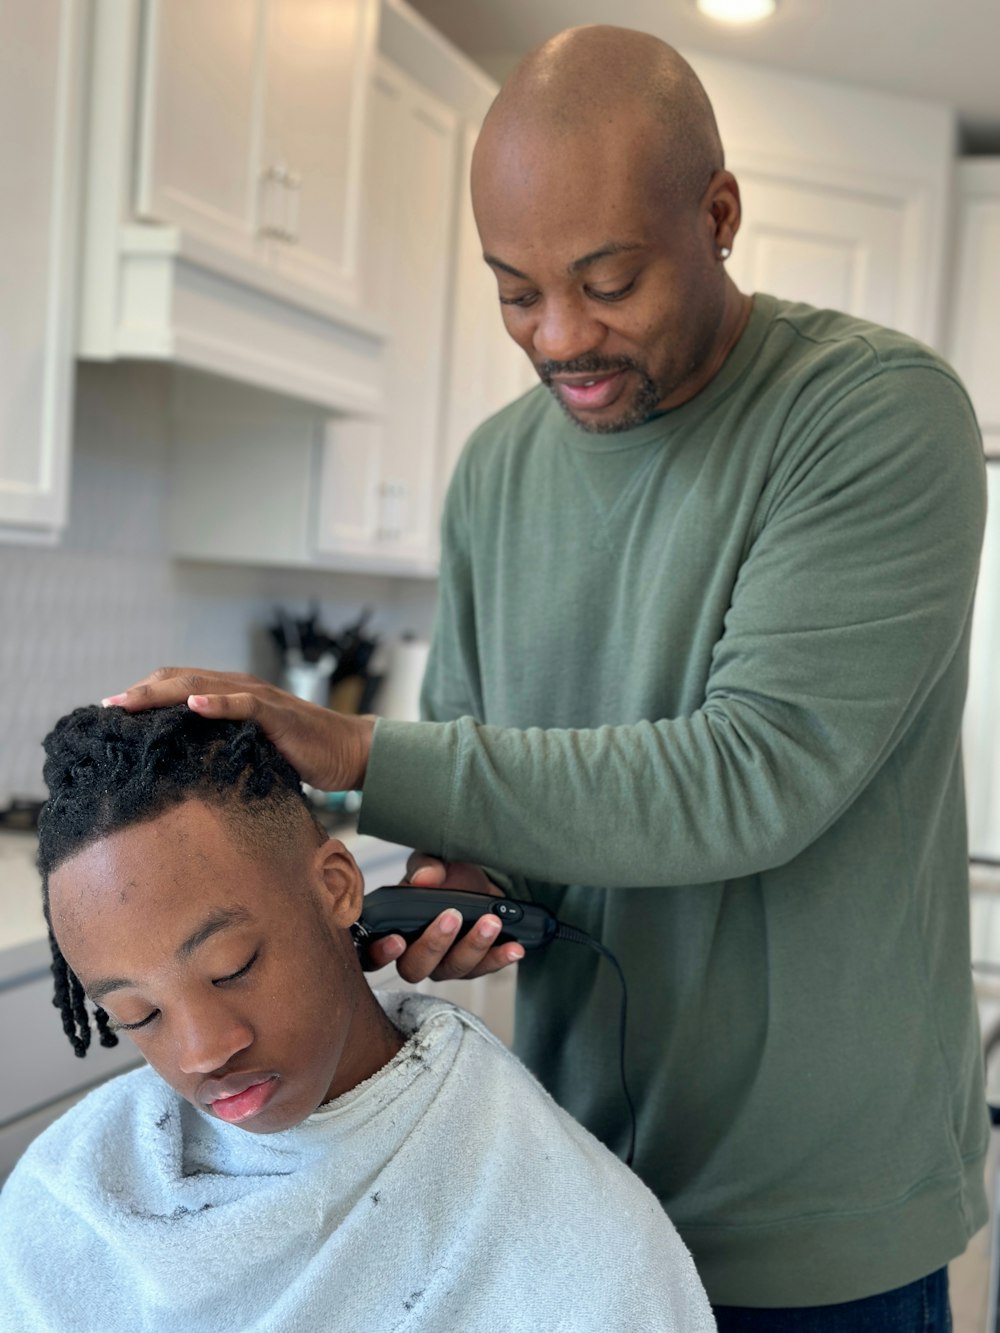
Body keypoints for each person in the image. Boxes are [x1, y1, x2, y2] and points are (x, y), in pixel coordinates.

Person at [102, 24, 988, 1329]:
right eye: (516, 290)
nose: (561, 334)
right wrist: (467, 883)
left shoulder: (871, 415)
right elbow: (482, 795)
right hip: (569, 1188)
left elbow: (757, 774)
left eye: (609, 280)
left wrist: (359, 751)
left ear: (719, 215)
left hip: (818, 1224)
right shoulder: (497, 471)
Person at [0, 703, 714, 1333]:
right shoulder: (67, 1200)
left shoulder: (572, 1225)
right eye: (138, 1012)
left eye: (233, 967)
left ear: (338, 888)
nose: (202, 1052)